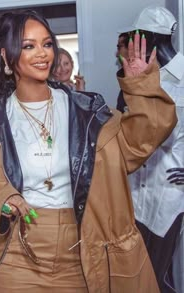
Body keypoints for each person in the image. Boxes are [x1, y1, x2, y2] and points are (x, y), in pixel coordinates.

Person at [0, 10, 177, 293]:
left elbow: (137, 144)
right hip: (15, 253)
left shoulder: (88, 112)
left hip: (84, 248)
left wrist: (141, 87)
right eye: (29, 45)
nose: (43, 54)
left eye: (47, 44)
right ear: (7, 57)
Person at [118, 6, 184, 293]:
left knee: (158, 274)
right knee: (136, 275)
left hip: (169, 196)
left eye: (137, 37)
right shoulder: (137, 77)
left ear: (148, 39)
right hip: (134, 195)